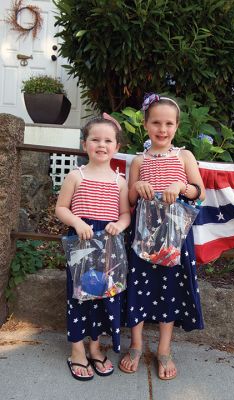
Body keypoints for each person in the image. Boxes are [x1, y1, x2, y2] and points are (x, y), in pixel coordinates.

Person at [119, 93, 206, 380]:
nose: (162, 129)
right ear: (145, 125)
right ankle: (136, 344)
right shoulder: (138, 160)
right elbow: (130, 197)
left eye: (169, 123)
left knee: (169, 288)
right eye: (156, 122)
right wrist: (139, 185)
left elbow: (199, 192)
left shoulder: (184, 156)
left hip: (174, 237)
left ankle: (164, 349)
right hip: (143, 234)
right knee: (138, 286)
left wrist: (181, 186)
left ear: (177, 127)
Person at [56, 115, 130, 381]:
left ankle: (95, 348)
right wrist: (77, 222)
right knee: (78, 296)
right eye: (95, 139)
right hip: (82, 246)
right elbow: (61, 208)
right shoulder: (77, 175)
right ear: (85, 144)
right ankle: (77, 350)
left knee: (103, 296)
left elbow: (125, 214)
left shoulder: (119, 181)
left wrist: (119, 226)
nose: (101, 145)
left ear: (117, 147)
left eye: (108, 140)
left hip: (108, 247)